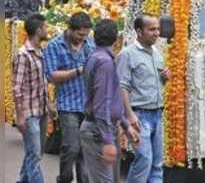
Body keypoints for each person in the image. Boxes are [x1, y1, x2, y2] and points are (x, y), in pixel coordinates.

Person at [80, 19, 140, 183]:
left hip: (101, 129)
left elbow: (110, 100)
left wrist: (125, 125)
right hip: (99, 132)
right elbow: (102, 104)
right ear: (116, 39)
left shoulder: (96, 57)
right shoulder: (104, 62)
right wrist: (107, 140)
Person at [116, 13, 170, 183]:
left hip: (157, 114)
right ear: (139, 31)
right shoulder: (127, 54)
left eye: (158, 29)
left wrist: (165, 78)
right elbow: (121, 87)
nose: (156, 33)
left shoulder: (156, 53)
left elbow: (157, 83)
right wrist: (130, 115)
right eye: (152, 29)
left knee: (156, 164)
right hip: (140, 116)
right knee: (144, 160)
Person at [44, 12, 95, 183]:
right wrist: (78, 71)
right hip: (68, 105)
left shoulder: (90, 44)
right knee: (71, 147)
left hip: (88, 105)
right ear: (69, 29)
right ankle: (64, 179)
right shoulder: (54, 46)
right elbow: (51, 76)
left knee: (85, 150)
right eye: (80, 34)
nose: (83, 38)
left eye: (86, 34)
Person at [12, 13, 49, 183]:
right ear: (38, 30)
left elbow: (41, 82)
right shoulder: (23, 55)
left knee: (34, 153)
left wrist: (50, 106)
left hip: (41, 110)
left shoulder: (40, 52)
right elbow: (17, 88)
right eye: (45, 27)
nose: (47, 30)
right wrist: (20, 116)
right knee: (34, 155)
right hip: (29, 114)